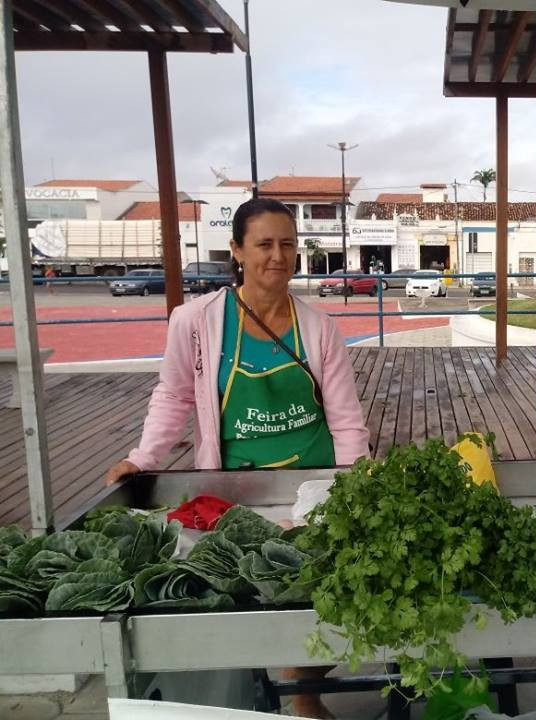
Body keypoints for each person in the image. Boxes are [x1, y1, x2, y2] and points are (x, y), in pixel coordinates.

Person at [105, 198, 370, 718]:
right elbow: (173, 395)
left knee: (329, 594)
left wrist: (353, 484)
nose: (278, 256)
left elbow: (345, 418)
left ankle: (302, 689)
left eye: (288, 244)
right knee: (249, 597)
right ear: (238, 251)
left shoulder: (318, 328)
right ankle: (265, 688)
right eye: (265, 244)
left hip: (310, 488)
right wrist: (143, 458)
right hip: (234, 496)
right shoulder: (197, 321)